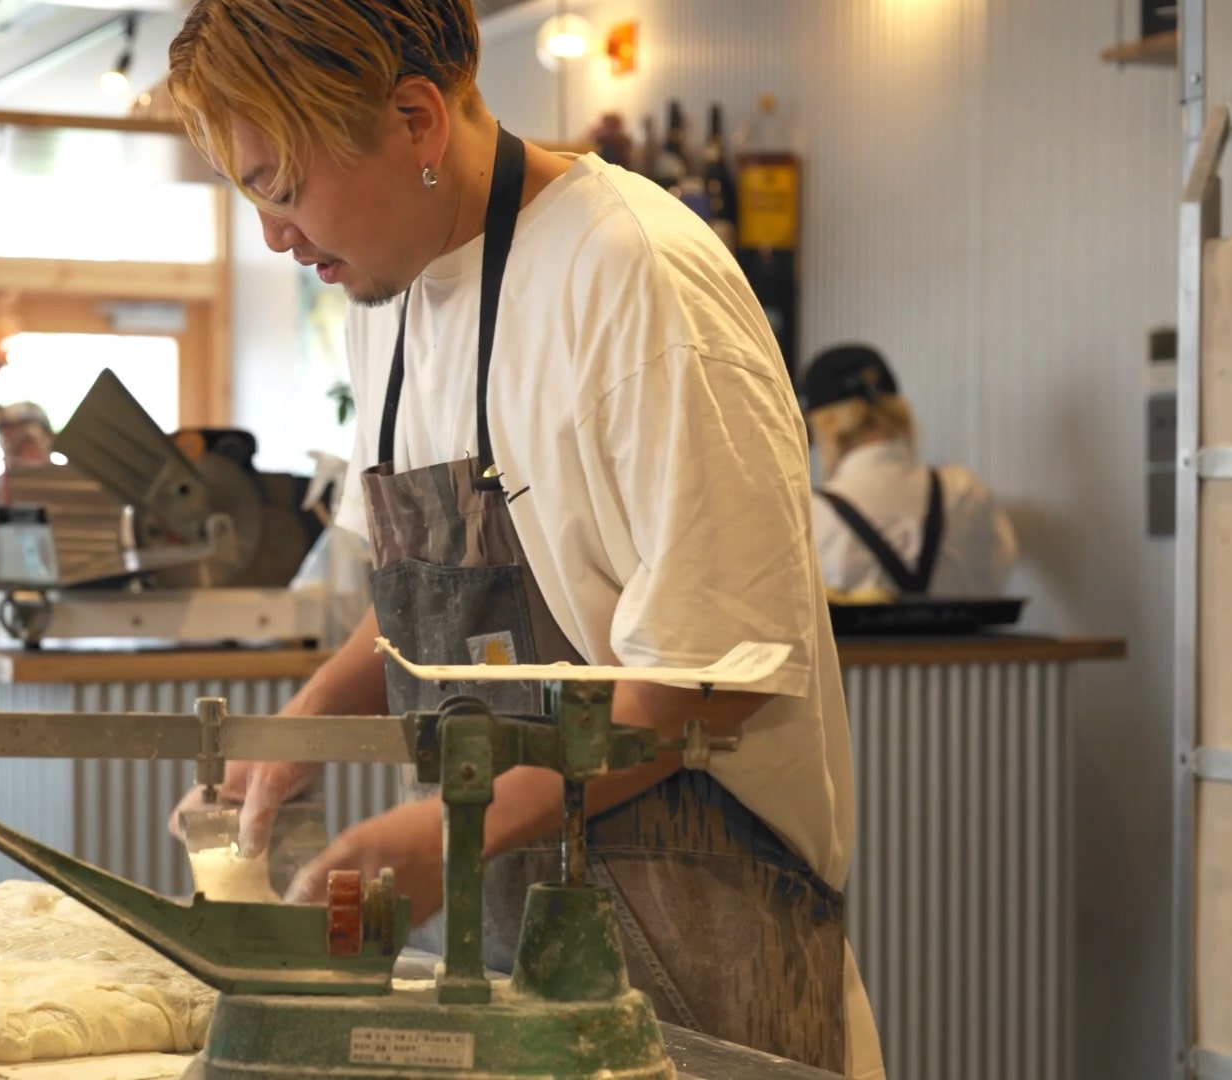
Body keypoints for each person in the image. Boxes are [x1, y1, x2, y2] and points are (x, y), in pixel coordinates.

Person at [162, 2, 883, 1075]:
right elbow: (430, 583)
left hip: (696, 933)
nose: (273, 233)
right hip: (508, 933)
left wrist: (454, 831)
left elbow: (716, 671)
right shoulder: (387, 294)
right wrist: (305, 725)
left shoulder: (632, 273)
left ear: (413, 119)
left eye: (282, 187)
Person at [801, 344, 1018, 599]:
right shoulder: (967, 490)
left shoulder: (811, 514)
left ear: (824, 426)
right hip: (972, 640)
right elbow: (1000, 568)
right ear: (897, 411)